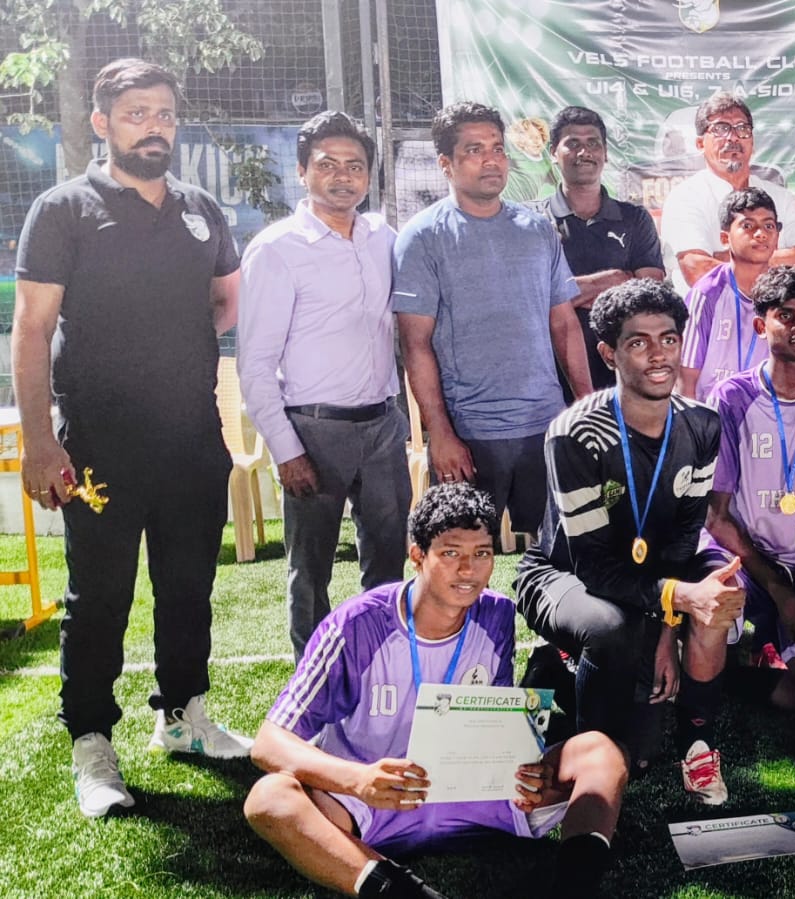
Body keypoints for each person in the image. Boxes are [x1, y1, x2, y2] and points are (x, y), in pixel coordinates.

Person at [13, 58, 252, 818]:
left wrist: (166, 340)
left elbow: (225, 300)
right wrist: (41, 441)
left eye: (165, 115)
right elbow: (31, 328)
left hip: (192, 438)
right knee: (100, 598)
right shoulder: (64, 208)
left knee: (189, 586)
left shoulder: (200, 208)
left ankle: (182, 716)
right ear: (102, 123)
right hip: (98, 446)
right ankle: (91, 742)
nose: (155, 128)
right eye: (137, 114)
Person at [244, 484, 628, 898]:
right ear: (417, 556)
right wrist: (359, 780)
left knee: (600, 752)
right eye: (450, 553)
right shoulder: (355, 626)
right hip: (376, 802)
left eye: (482, 553)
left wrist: (524, 767)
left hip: (475, 795)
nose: (468, 569)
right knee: (269, 798)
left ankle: (572, 887)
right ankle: (403, 892)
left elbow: (492, 717)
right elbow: (269, 743)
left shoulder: (496, 614)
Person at [515, 279, 745, 806]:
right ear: (608, 354)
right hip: (563, 573)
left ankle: (698, 743)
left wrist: (670, 627)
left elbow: (683, 539)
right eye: (638, 342)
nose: (658, 355)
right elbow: (594, 567)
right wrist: (678, 599)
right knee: (611, 631)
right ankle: (585, 746)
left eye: (668, 339)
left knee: (723, 597)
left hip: (653, 573)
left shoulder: (702, 425)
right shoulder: (575, 434)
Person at [239, 111, 411, 661]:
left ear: (368, 175)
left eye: (354, 166)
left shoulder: (383, 237)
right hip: (313, 430)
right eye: (327, 165)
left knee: (388, 562)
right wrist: (286, 451)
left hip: (383, 426)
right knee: (310, 570)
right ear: (302, 171)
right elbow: (255, 365)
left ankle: (380, 668)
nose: (343, 176)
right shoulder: (276, 248)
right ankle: (312, 682)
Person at [394, 101, 592, 545]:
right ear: (445, 164)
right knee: (460, 558)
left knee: (564, 556)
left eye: (498, 148)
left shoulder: (537, 230)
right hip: (469, 436)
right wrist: (440, 433)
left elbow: (564, 324)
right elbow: (415, 344)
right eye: (474, 150)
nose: (491, 160)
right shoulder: (422, 237)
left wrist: (583, 404)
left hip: (545, 427)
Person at [702, 266, 795, 710]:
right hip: (738, 559)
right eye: (785, 315)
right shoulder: (731, 398)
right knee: (718, 605)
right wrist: (780, 591)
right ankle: (701, 692)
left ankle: (750, 670)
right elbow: (715, 517)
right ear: (760, 325)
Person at [532, 106, 666, 395]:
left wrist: (564, 293)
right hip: (551, 381)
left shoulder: (634, 218)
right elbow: (533, 297)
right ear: (553, 153)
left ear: (605, 154)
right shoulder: (533, 222)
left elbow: (650, 292)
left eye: (593, 143)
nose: (584, 152)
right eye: (573, 143)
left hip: (625, 378)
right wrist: (617, 279)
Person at [659, 92, 795, 295]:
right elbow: (698, 271)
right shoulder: (685, 198)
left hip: (773, 314)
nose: (733, 137)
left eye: (742, 128)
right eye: (720, 129)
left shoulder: (781, 197)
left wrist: (734, 258)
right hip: (710, 314)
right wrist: (778, 259)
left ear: (752, 142)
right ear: (700, 144)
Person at [678, 188, 780, 401]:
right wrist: (694, 421)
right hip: (711, 413)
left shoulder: (784, 296)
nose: (761, 234)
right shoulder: (706, 294)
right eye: (748, 225)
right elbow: (686, 381)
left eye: (769, 226)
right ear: (725, 238)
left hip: (766, 412)